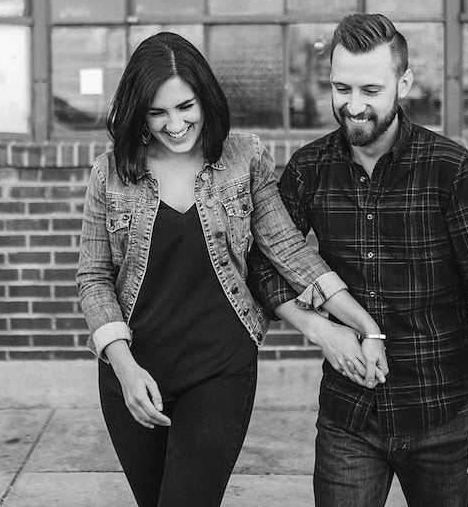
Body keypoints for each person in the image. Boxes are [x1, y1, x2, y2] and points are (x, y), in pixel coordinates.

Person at [75, 31, 385, 507]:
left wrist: (362, 324)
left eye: (185, 107)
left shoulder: (243, 158)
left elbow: (286, 247)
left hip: (220, 369)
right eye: (157, 113)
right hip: (134, 373)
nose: (174, 125)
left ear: (206, 99)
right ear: (138, 112)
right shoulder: (111, 172)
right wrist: (123, 366)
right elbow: (94, 278)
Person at [249, 13, 468, 507]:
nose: (353, 105)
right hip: (348, 416)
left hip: (439, 413)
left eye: (370, 90)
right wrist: (321, 330)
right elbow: (263, 261)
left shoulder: (451, 170)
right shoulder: (310, 169)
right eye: (341, 87)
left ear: (405, 82)